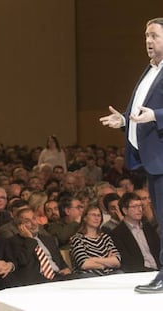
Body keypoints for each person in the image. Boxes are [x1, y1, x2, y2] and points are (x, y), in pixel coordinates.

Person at [99, 17, 163, 293]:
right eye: (146, 36)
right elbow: (141, 112)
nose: (148, 41)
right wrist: (125, 121)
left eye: (154, 36)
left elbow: (152, 113)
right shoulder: (150, 70)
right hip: (154, 159)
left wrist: (157, 115)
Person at [9, 207, 72, 285]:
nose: (33, 223)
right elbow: (23, 261)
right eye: (27, 221)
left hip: (59, 276)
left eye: (34, 219)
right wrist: (29, 239)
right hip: (37, 281)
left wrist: (66, 268)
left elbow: (60, 261)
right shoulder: (13, 242)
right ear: (20, 227)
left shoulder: (48, 239)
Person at [110, 192, 160, 272]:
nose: (139, 209)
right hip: (139, 273)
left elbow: (159, 250)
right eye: (134, 206)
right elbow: (127, 261)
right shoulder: (117, 233)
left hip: (158, 269)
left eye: (140, 206)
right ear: (125, 210)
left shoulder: (148, 227)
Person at [70, 205, 122, 277]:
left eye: (99, 215)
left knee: (120, 273)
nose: (96, 218)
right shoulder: (77, 239)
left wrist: (93, 259)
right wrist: (106, 262)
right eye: (93, 215)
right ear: (85, 218)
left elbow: (117, 261)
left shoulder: (105, 237)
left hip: (109, 274)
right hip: (88, 275)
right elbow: (84, 264)